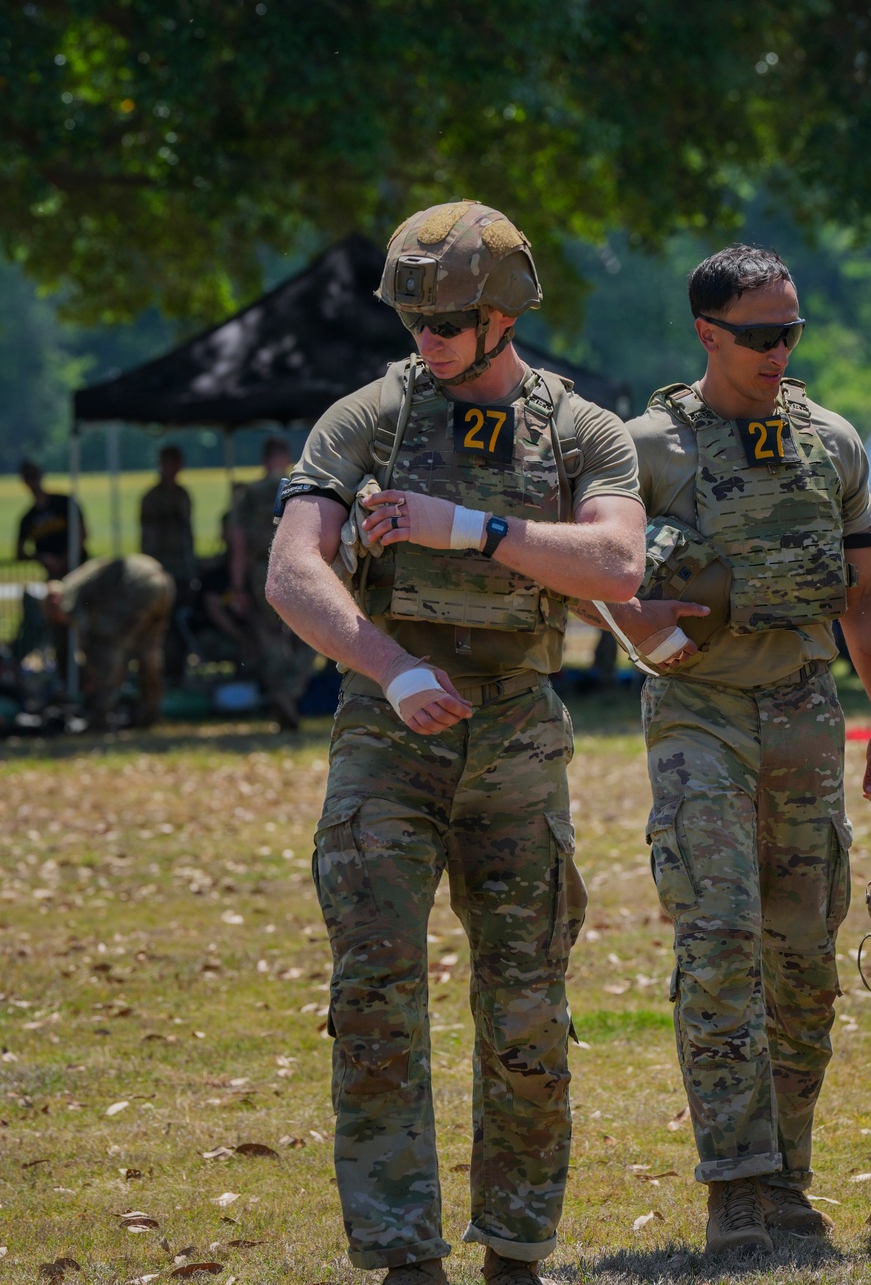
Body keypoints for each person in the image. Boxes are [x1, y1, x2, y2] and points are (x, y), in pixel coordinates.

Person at [266, 200, 646, 1285]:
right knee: (375, 991)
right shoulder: (364, 421)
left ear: (503, 315)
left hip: (518, 731)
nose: (424, 341)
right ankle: (402, 1259)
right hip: (391, 731)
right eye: (413, 321)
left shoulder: (582, 430)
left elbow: (618, 567)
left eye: (446, 322)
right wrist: (390, 668)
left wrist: (468, 528)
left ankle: (517, 1249)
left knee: (526, 1001)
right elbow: (293, 569)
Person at [584, 245, 871, 1258]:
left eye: (790, 333)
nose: (777, 351)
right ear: (707, 333)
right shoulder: (646, 449)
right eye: (759, 334)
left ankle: (788, 1180)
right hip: (699, 712)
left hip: (805, 710)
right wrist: (628, 621)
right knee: (717, 942)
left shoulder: (831, 444)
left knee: (804, 957)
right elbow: (587, 561)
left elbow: (861, 592)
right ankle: (735, 1183)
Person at [229, 437, 315, 729]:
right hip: (299, 567)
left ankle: (281, 693)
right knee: (311, 635)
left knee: (269, 639)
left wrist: (238, 587)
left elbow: (238, 546)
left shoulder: (248, 495)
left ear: (263, 460)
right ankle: (290, 690)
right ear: (288, 458)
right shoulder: (302, 488)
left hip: (261, 571)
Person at [45, 554, 175, 728]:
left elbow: (88, 638)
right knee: (148, 652)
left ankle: (101, 715)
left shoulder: (67, 593)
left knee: (112, 652)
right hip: (162, 583)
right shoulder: (80, 578)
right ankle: (151, 713)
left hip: (139, 589)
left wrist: (91, 672)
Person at [140, 444, 197, 685]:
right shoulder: (152, 498)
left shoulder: (182, 495)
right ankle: (161, 676)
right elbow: (148, 539)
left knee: (182, 624)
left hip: (182, 570)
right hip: (162, 569)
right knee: (163, 626)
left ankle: (179, 672)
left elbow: (188, 535)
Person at [15, 460, 87, 577]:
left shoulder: (64, 503)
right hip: (54, 574)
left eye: (34, 476)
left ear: (41, 475)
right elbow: (19, 553)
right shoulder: (27, 518)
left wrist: (64, 560)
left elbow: (82, 534)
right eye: (28, 477)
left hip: (79, 568)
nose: (32, 482)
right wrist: (42, 558)